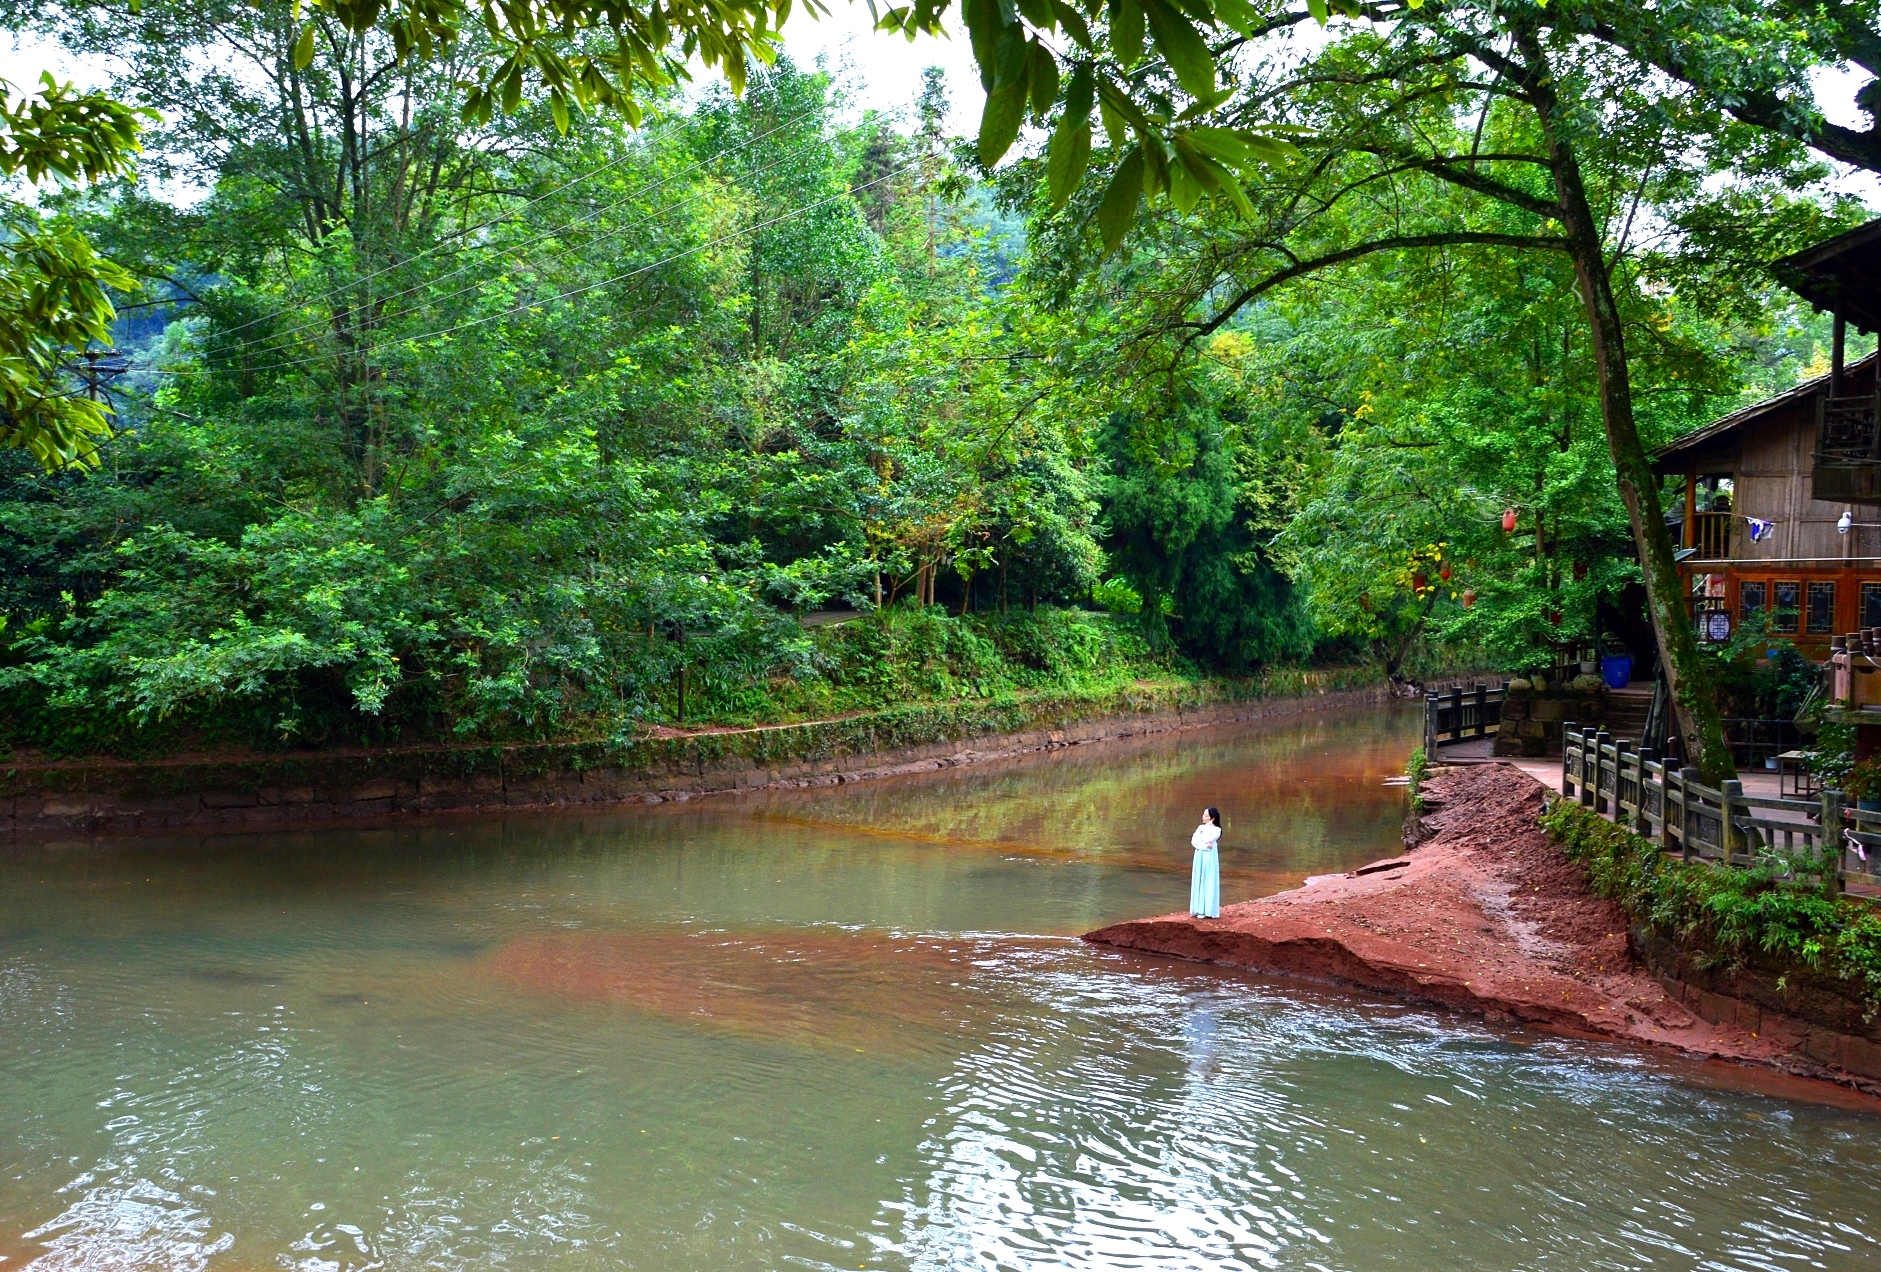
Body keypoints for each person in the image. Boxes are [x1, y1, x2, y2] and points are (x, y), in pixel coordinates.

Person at [1190, 807, 1222, 919]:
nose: (1203, 817)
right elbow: (1194, 841)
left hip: (1209, 857)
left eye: (1206, 815)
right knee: (1198, 878)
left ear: (1212, 818)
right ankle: (1197, 908)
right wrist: (1204, 846)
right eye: (1203, 815)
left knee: (1207, 878)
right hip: (1199, 855)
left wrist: (1203, 841)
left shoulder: (1217, 830)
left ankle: (1207, 910)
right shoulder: (1200, 827)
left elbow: (1208, 839)